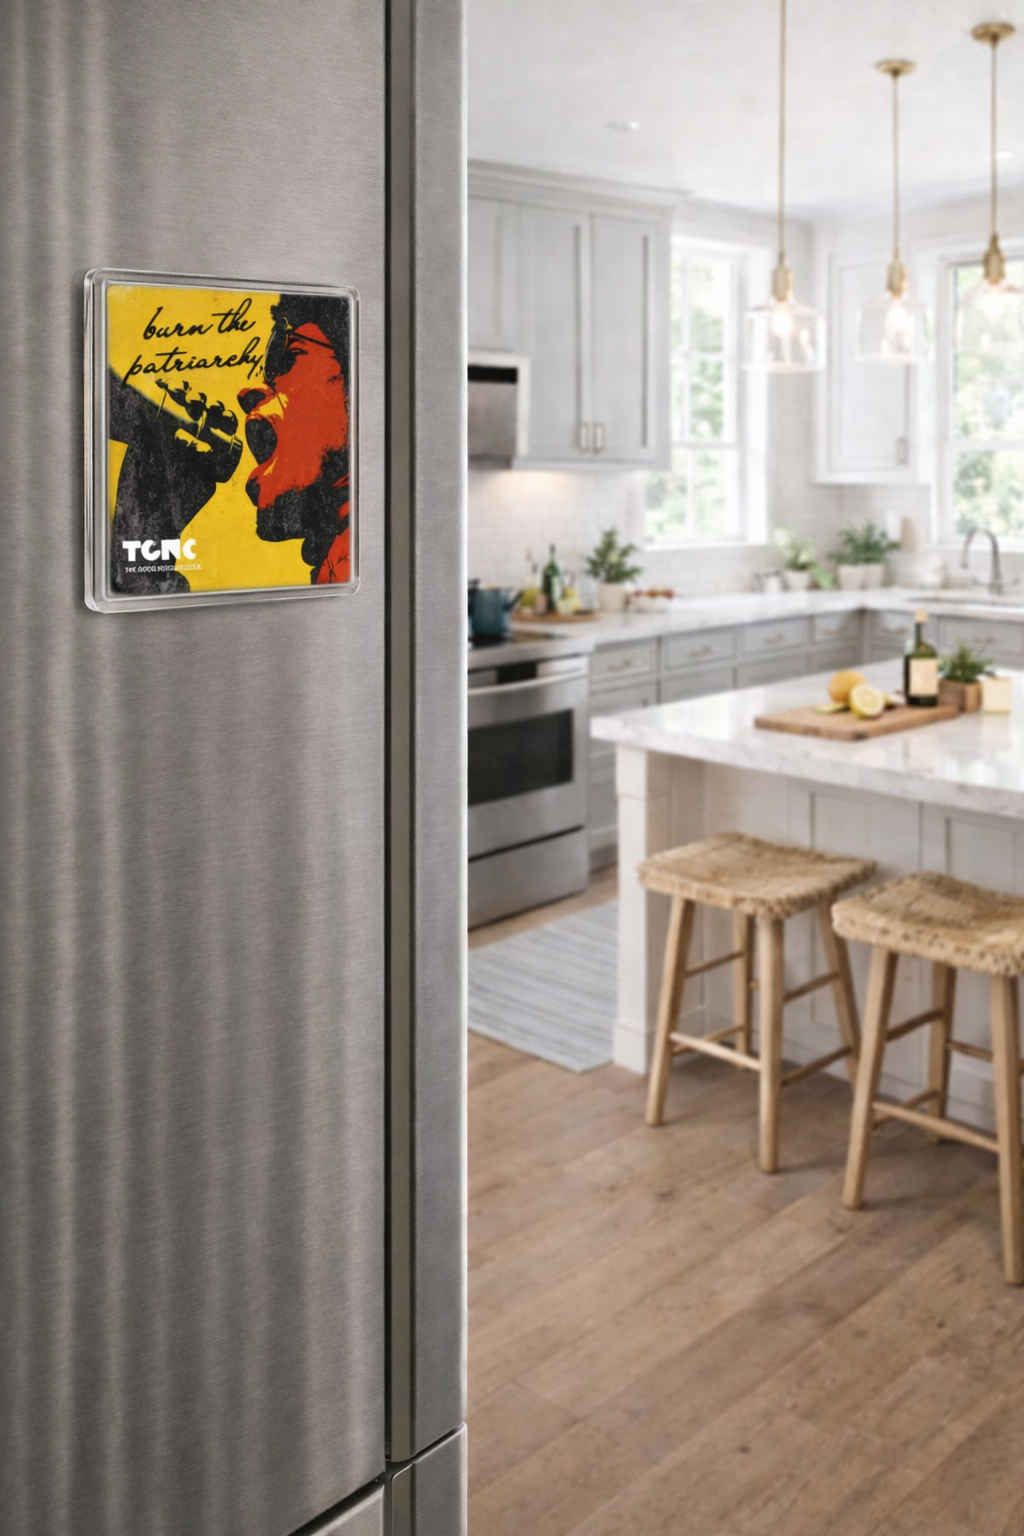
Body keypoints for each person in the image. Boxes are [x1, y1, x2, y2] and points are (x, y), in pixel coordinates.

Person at [237, 293, 353, 584]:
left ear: (354, 398)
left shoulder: (350, 560)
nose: (246, 394)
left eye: (288, 357)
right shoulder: (341, 558)